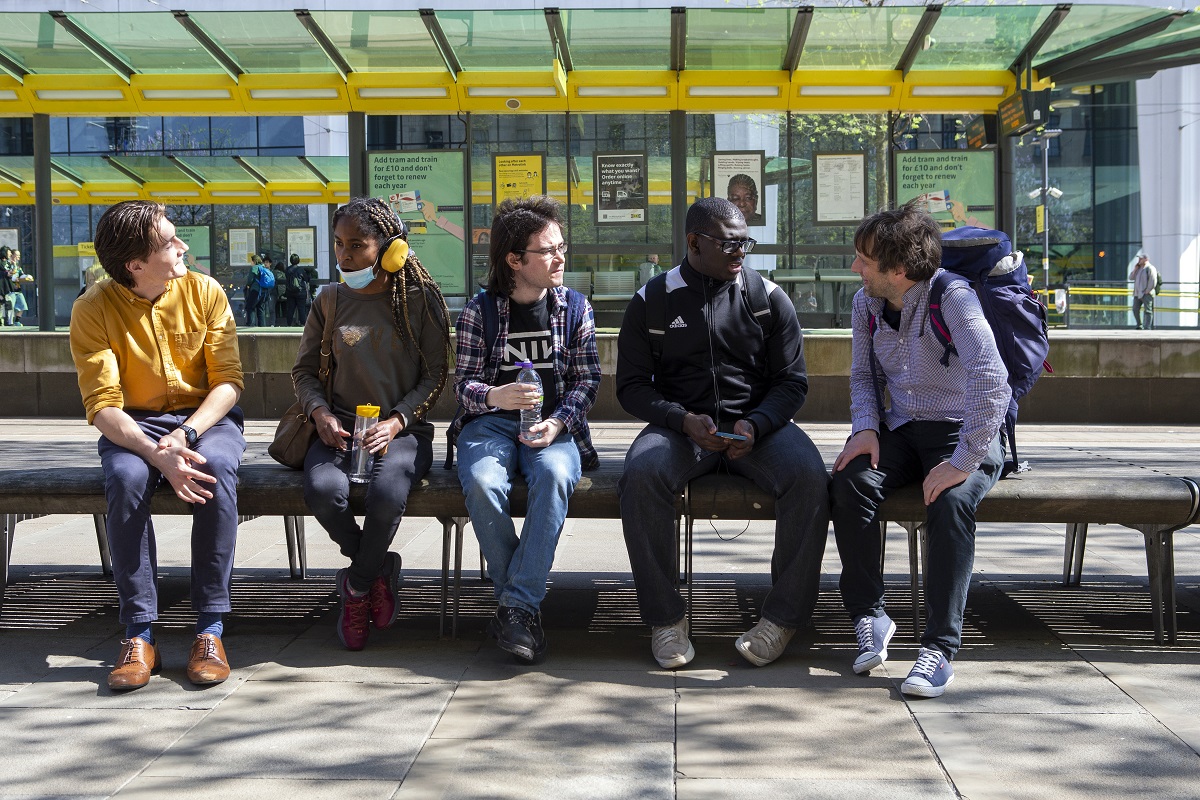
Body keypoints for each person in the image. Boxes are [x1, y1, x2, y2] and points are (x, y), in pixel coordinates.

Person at [616, 196, 830, 669]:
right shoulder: (651, 301)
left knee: (810, 476)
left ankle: (782, 619)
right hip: (680, 429)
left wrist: (757, 422)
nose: (740, 253)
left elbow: (792, 383)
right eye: (729, 244)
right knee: (642, 472)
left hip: (759, 428)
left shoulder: (769, 300)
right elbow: (630, 388)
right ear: (693, 242)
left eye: (745, 243)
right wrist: (679, 418)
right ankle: (665, 620)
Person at [829, 203, 1010, 698]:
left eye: (864, 260)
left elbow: (993, 380)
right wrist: (865, 430)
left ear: (899, 271)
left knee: (950, 503)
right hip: (903, 428)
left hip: (963, 429)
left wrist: (962, 462)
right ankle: (870, 614)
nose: (855, 269)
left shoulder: (953, 298)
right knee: (849, 482)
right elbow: (864, 377)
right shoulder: (866, 304)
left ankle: (939, 649)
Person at [69, 200, 245, 691]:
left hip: (205, 417)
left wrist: (184, 436)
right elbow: (103, 405)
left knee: (214, 470)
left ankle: (209, 628)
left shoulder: (204, 290)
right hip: (133, 423)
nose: (182, 246)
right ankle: (138, 633)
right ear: (135, 264)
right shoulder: (92, 309)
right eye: (169, 242)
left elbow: (229, 382)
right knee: (125, 479)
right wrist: (155, 454)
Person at [293, 197, 452, 651]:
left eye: (357, 245)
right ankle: (380, 569)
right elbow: (303, 372)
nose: (345, 255)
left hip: (403, 430)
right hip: (337, 428)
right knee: (324, 490)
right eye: (339, 244)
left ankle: (357, 588)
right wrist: (320, 413)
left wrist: (398, 421)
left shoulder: (421, 300)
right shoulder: (328, 300)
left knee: (386, 493)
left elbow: (435, 375)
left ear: (389, 249)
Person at [452, 195, 600, 663]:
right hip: (490, 425)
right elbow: (464, 385)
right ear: (514, 260)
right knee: (480, 480)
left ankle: (515, 607)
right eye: (548, 250)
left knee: (555, 476)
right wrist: (495, 396)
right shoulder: (481, 311)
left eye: (561, 247)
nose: (560, 258)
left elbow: (587, 380)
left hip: (554, 424)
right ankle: (522, 606)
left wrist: (558, 422)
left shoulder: (575, 308)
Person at [1129, 251, 1158, 330]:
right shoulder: (1138, 268)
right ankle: (1139, 324)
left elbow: (1153, 281)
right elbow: (1131, 278)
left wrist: (1148, 290)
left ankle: (1147, 327)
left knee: (1148, 311)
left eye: (1141, 259)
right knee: (1135, 309)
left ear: (1146, 259)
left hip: (1146, 293)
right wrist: (1135, 270)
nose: (1139, 260)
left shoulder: (1150, 268)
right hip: (1137, 293)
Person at [283, 253, 309, 326]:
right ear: (298, 261)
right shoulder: (301, 270)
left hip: (290, 292)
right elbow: (306, 279)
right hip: (300, 292)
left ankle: (289, 323)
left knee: (290, 309)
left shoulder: (287, 270)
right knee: (301, 308)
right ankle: (303, 323)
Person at [243, 255, 269, 327]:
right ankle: (262, 326)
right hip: (264, 291)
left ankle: (250, 324)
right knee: (260, 308)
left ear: (254, 261)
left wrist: (248, 286)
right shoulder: (264, 268)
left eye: (251, 261)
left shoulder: (254, 268)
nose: (250, 263)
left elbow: (250, 281)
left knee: (250, 307)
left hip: (255, 290)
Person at [268, 254, 287, 326]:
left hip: (274, 292)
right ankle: (284, 322)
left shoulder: (272, 272)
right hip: (281, 294)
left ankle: (275, 322)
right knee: (284, 308)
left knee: (275, 308)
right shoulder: (283, 274)